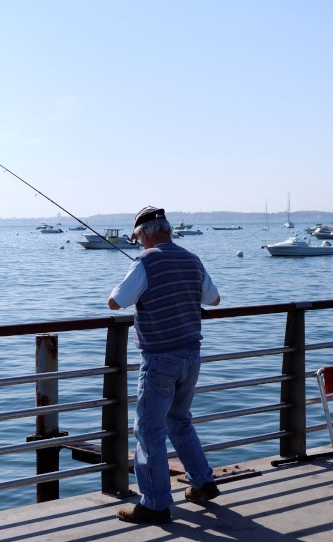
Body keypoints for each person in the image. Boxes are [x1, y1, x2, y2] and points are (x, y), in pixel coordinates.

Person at [108, 206, 221, 524]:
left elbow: (116, 302)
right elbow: (213, 299)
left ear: (144, 233)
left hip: (160, 359)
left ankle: (156, 504)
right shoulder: (191, 259)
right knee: (180, 422)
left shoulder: (146, 260)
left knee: (148, 429)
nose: (139, 244)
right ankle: (203, 482)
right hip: (191, 356)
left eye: (138, 238)